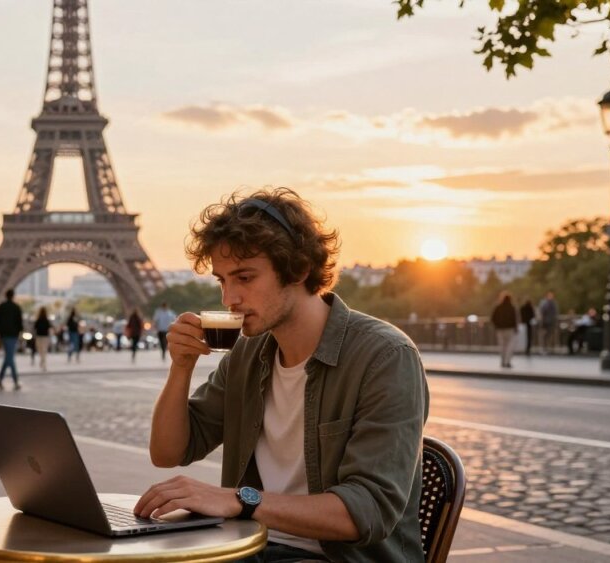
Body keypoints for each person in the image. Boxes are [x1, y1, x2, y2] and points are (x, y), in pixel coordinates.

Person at [133, 188, 428, 562]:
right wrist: (181, 368)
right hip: (251, 549)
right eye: (222, 281)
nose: (229, 299)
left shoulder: (385, 356)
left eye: (244, 277)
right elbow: (168, 452)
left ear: (299, 268)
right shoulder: (247, 355)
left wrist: (239, 500)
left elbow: (367, 510)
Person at [0, 289, 24, 390]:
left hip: (4, 334)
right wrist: (20, 332)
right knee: (10, 358)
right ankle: (15, 381)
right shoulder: (16, 307)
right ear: (13, 296)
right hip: (13, 335)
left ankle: (0, 379)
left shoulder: (1, 307)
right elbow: (20, 322)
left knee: (8, 357)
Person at [490, 292, 518, 368]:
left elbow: (493, 318)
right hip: (510, 329)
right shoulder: (512, 307)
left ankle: (503, 361)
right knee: (510, 346)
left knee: (502, 346)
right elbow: (515, 319)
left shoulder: (498, 307)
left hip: (500, 329)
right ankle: (507, 361)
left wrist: (497, 325)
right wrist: (516, 328)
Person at [34, 307, 52, 371]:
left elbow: (35, 327)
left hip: (39, 336)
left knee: (41, 350)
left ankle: (43, 363)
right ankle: (43, 362)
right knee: (44, 350)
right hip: (45, 337)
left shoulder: (38, 320)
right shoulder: (46, 320)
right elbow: (50, 327)